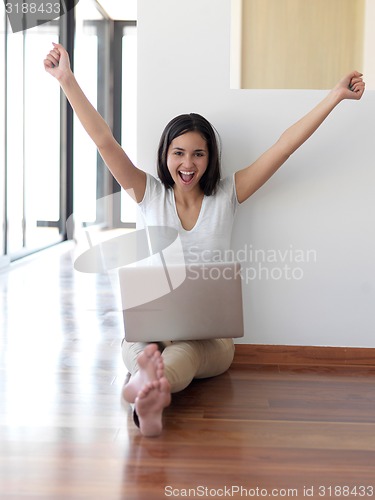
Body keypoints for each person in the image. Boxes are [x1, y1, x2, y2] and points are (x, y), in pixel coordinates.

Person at [44, 43, 365, 437]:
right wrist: (67, 81)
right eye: (179, 153)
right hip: (154, 328)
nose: (188, 164)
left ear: (210, 158)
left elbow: (284, 145)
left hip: (210, 339)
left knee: (186, 352)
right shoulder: (148, 194)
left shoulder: (228, 194)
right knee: (139, 345)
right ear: (165, 154)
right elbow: (105, 142)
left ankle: (150, 385)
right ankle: (151, 385)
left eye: (198, 154)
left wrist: (334, 96)